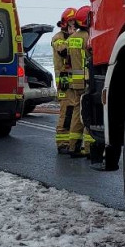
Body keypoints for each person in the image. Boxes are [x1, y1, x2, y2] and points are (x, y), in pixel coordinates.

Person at [65, 6, 93, 157]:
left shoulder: (71, 38)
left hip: (75, 82)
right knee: (89, 112)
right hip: (87, 80)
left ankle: (73, 147)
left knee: (77, 112)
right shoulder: (88, 38)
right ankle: (89, 149)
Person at [52, 8, 77, 153]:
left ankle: (72, 141)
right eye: (72, 23)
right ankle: (62, 143)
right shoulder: (58, 38)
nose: (74, 26)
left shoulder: (74, 36)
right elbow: (62, 50)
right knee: (65, 111)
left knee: (74, 111)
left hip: (74, 80)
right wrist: (73, 38)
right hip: (63, 80)